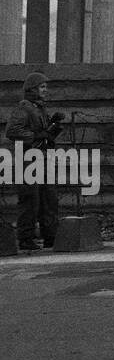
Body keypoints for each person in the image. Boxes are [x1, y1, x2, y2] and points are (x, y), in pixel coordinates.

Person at [5, 71, 65, 250]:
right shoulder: (25, 107)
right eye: (42, 87)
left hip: (41, 158)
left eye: (46, 87)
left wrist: (51, 127)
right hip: (27, 160)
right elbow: (12, 131)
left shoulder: (39, 108)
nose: (46, 90)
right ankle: (25, 238)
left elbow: (43, 135)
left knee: (49, 198)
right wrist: (36, 135)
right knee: (30, 200)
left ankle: (50, 236)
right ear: (32, 89)